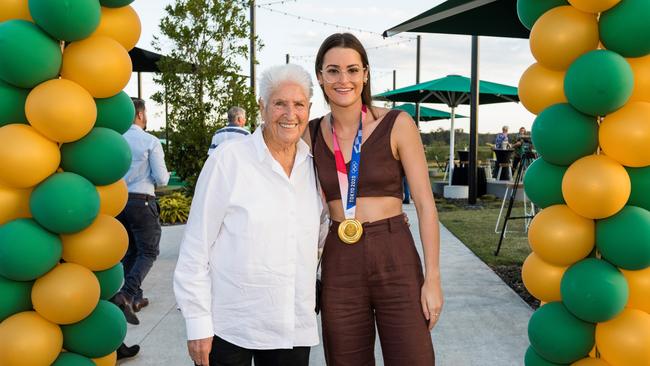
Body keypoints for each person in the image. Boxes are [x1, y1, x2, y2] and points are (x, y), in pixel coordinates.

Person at [174, 64, 324, 366]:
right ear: (262, 107)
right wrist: (197, 324)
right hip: (230, 327)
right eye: (280, 103)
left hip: (292, 326)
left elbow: (320, 237)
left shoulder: (315, 167)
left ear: (309, 108)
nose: (289, 114)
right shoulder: (228, 161)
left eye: (298, 104)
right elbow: (195, 248)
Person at [307, 33, 442, 366]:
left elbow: (425, 205)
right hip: (340, 259)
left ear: (365, 74)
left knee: (414, 358)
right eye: (333, 71)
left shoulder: (397, 124)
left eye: (352, 70)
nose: (344, 79)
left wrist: (433, 279)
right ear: (321, 77)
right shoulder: (309, 133)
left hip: (394, 251)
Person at [112, 97, 170, 326]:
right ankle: (126, 295)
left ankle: (136, 298)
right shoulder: (150, 141)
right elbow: (162, 178)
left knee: (130, 251)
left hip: (118, 202)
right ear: (139, 114)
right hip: (142, 200)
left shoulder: (115, 141)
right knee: (149, 251)